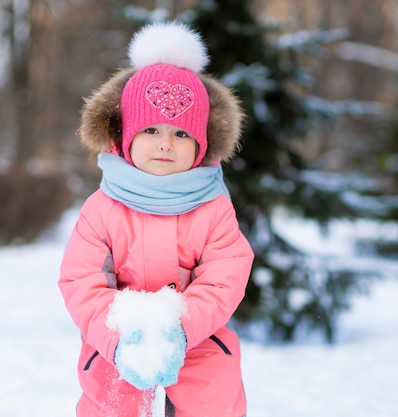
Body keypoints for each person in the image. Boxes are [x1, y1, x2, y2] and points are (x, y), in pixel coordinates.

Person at [58, 21, 253, 417]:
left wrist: (181, 328)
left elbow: (225, 273)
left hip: (197, 337)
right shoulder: (102, 207)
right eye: (151, 129)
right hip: (117, 337)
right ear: (126, 135)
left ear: (201, 144)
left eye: (181, 134)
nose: (165, 143)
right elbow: (82, 280)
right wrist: (118, 336)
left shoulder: (213, 205)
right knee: (110, 404)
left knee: (213, 402)